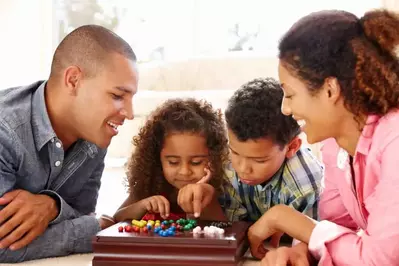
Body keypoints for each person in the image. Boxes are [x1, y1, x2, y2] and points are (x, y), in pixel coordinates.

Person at [247, 9, 399, 266]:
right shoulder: (337, 145)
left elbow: (380, 260)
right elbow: (334, 224)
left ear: (330, 89)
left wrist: (285, 218)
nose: (285, 109)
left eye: (291, 95)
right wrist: (302, 251)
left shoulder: (394, 143)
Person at [0, 25, 138, 262]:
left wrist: (51, 206)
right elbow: (3, 245)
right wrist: (95, 229)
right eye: (117, 96)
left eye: (131, 98)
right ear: (73, 80)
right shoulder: (5, 131)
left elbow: (82, 211)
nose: (130, 113)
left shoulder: (95, 136)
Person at [218, 78, 323, 225]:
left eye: (259, 160)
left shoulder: (306, 184)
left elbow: (309, 240)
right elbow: (234, 229)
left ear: (291, 147)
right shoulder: (225, 166)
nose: (242, 168)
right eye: (234, 153)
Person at [113, 98, 229, 222]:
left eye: (196, 162)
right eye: (173, 162)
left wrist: (205, 200)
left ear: (215, 156)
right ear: (157, 159)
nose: (184, 172)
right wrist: (142, 206)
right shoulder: (150, 187)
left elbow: (228, 230)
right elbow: (116, 219)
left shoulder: (222, 189)